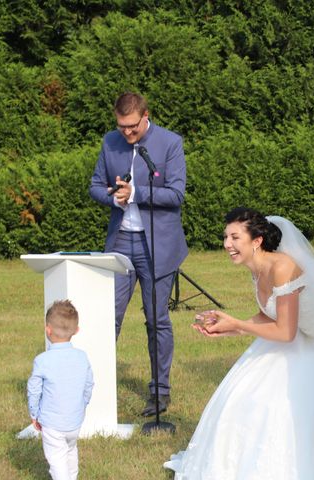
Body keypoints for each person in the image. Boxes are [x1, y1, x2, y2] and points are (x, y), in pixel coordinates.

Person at [163, 207, 314, 479]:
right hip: (294, 336)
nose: (227, 244)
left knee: (272, 406)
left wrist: (237, 324)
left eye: (235, 237)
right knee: (242, 395)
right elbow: (269, 312)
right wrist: (228, 328)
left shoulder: (283, 267)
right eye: (226, 237)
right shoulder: (257, 268)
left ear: (256, 241)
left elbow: (286, 331)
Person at [89, 92, 188, 417]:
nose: (127, 134)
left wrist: (137, 194)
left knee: (156, 319)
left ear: (146, 115)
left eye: (132, 127)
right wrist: (112, 197)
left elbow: (176, 194)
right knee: (107, 319)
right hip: (120, 243)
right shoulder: (109, 142)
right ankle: (95, 387)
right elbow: (94, 185)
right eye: (122, 127)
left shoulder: (170, 143)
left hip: (157, 244)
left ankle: (159, 393)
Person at [27, 300, 94, 480]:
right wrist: (82, 404)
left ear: (48, 329)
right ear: (76, 330)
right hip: (75, 420)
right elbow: (89, 385)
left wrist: (34, 414)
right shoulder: (82, 357)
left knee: (57, 459)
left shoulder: (42, 361)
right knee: (71, 450)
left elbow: (34, 390)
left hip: (52, 422)